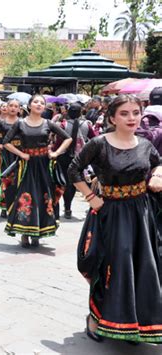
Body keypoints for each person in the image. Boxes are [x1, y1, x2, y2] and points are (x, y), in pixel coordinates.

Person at [68, 94, 162, 344]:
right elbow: (74, 169)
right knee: (111, 267)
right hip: (110, 214)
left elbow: (158, 163)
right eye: (125, 113)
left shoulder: (145, 144)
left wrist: (157, 175)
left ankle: (136, 324)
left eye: (135, 112)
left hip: (141, 216)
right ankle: (95, 319)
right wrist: (90, 196)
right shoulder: (99, 143)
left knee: (143, 268)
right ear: (111, 117)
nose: (132, 118)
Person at [2, 94, 72, 247]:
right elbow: (6, 142)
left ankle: (38, 234)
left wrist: (55, 153)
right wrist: (21, 154)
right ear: (29, 106)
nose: (39, 104)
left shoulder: (48, 123)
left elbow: (68, 138)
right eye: (36, 102)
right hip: (26, 165)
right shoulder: (20, 124)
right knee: (25, 196)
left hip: (44, 165)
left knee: (43, 196)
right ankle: (25, 233)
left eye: (42, 103)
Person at [53, 103, 96, 219]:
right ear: (81, 112)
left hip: (64, 156)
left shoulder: (63, 124)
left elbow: (58, 142)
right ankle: (68, 207)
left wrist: (53, 152)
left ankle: (65, 207)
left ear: (68, 112)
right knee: (74, 182)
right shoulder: (87, 125)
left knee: (63, 181)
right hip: (80, 158)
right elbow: (94, 138)